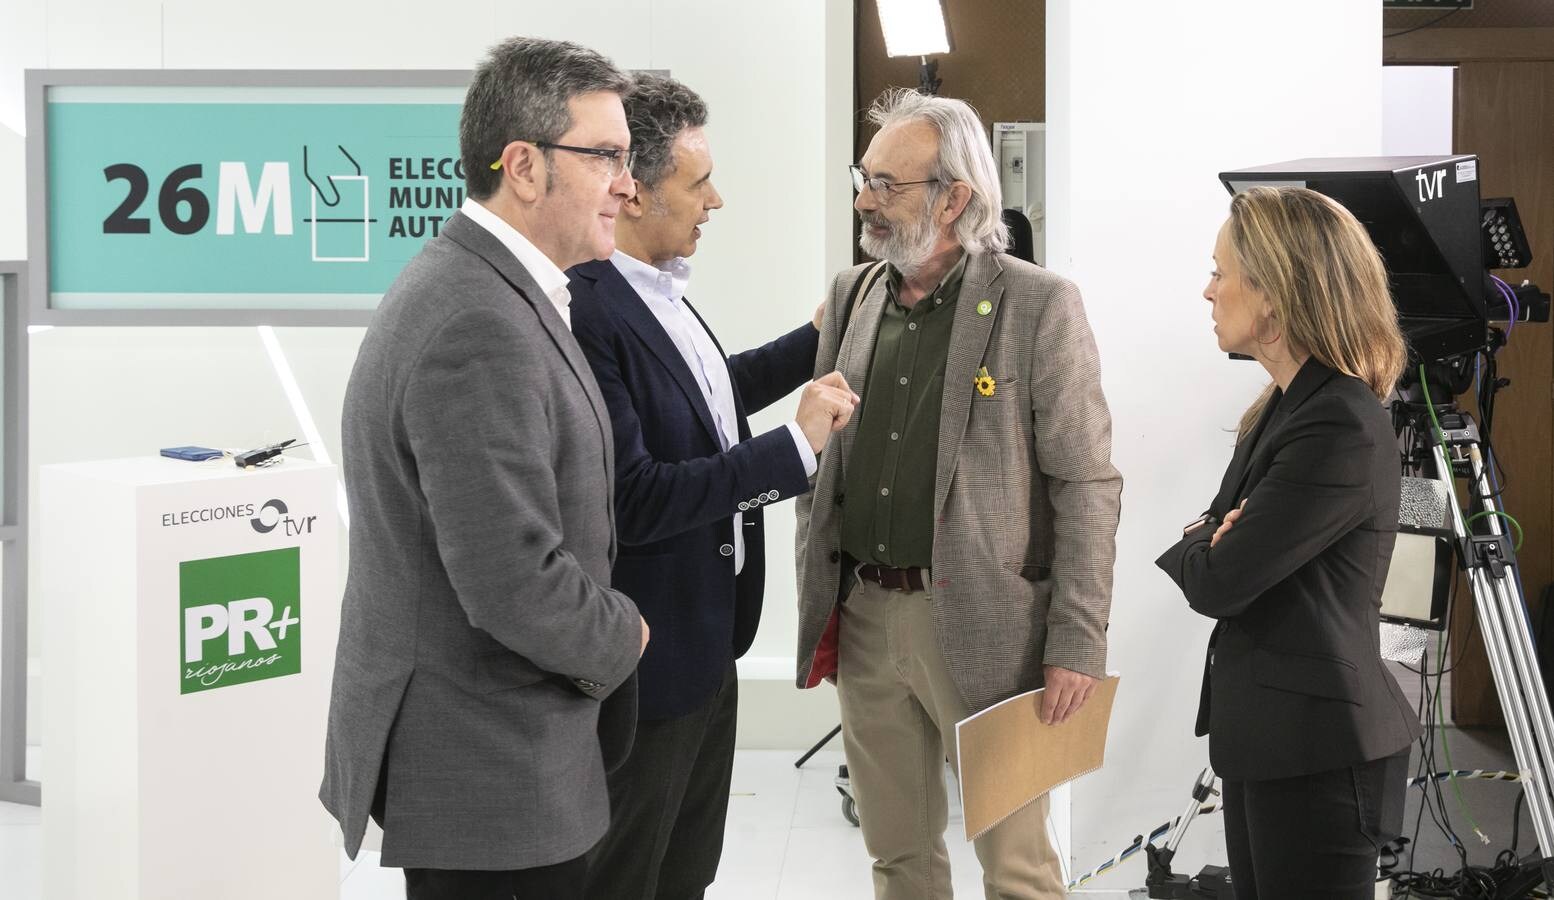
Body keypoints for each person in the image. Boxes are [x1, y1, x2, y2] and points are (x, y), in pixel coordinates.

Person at [319, 37, 652, 900]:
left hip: (500, 756)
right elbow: (512, 581)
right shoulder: (479, 322)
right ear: (524, 167)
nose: (630, 183)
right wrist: (627, 635)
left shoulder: (487, 290)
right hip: (490, 770)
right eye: (608, 156)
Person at [794, 88, 1123, 900]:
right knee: (897, 860)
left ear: (956, 198)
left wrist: (1077, 639)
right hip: (868, 618)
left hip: (989, 630)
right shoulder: (852, 296)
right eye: (863, 179)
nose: (866, 200)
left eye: (888, 185)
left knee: (1016, 870)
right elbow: (825, 456)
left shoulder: (1039, 303)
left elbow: (1085, 482)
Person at [566, 73, 857, 900]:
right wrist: (791, 448)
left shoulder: (655, 294)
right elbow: (639, 495)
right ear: (635, 190)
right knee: (632, 875)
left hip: (707, 643)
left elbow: (705, 395)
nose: (716, 200)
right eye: (698, 183)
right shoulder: (589, 309)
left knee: (684, 872)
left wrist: (818, 337)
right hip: (649, 660)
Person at [1155, 186, 1423, 899]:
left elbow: (1218, 577)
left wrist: (1211, 542)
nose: (1207, 290)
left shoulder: (1339, 421)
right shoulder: (1279, 408)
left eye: (1221, 272)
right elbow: (1210, 541)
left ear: (1273, 296)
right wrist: (1211, 539)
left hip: (1320, 750)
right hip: (1270, 737)